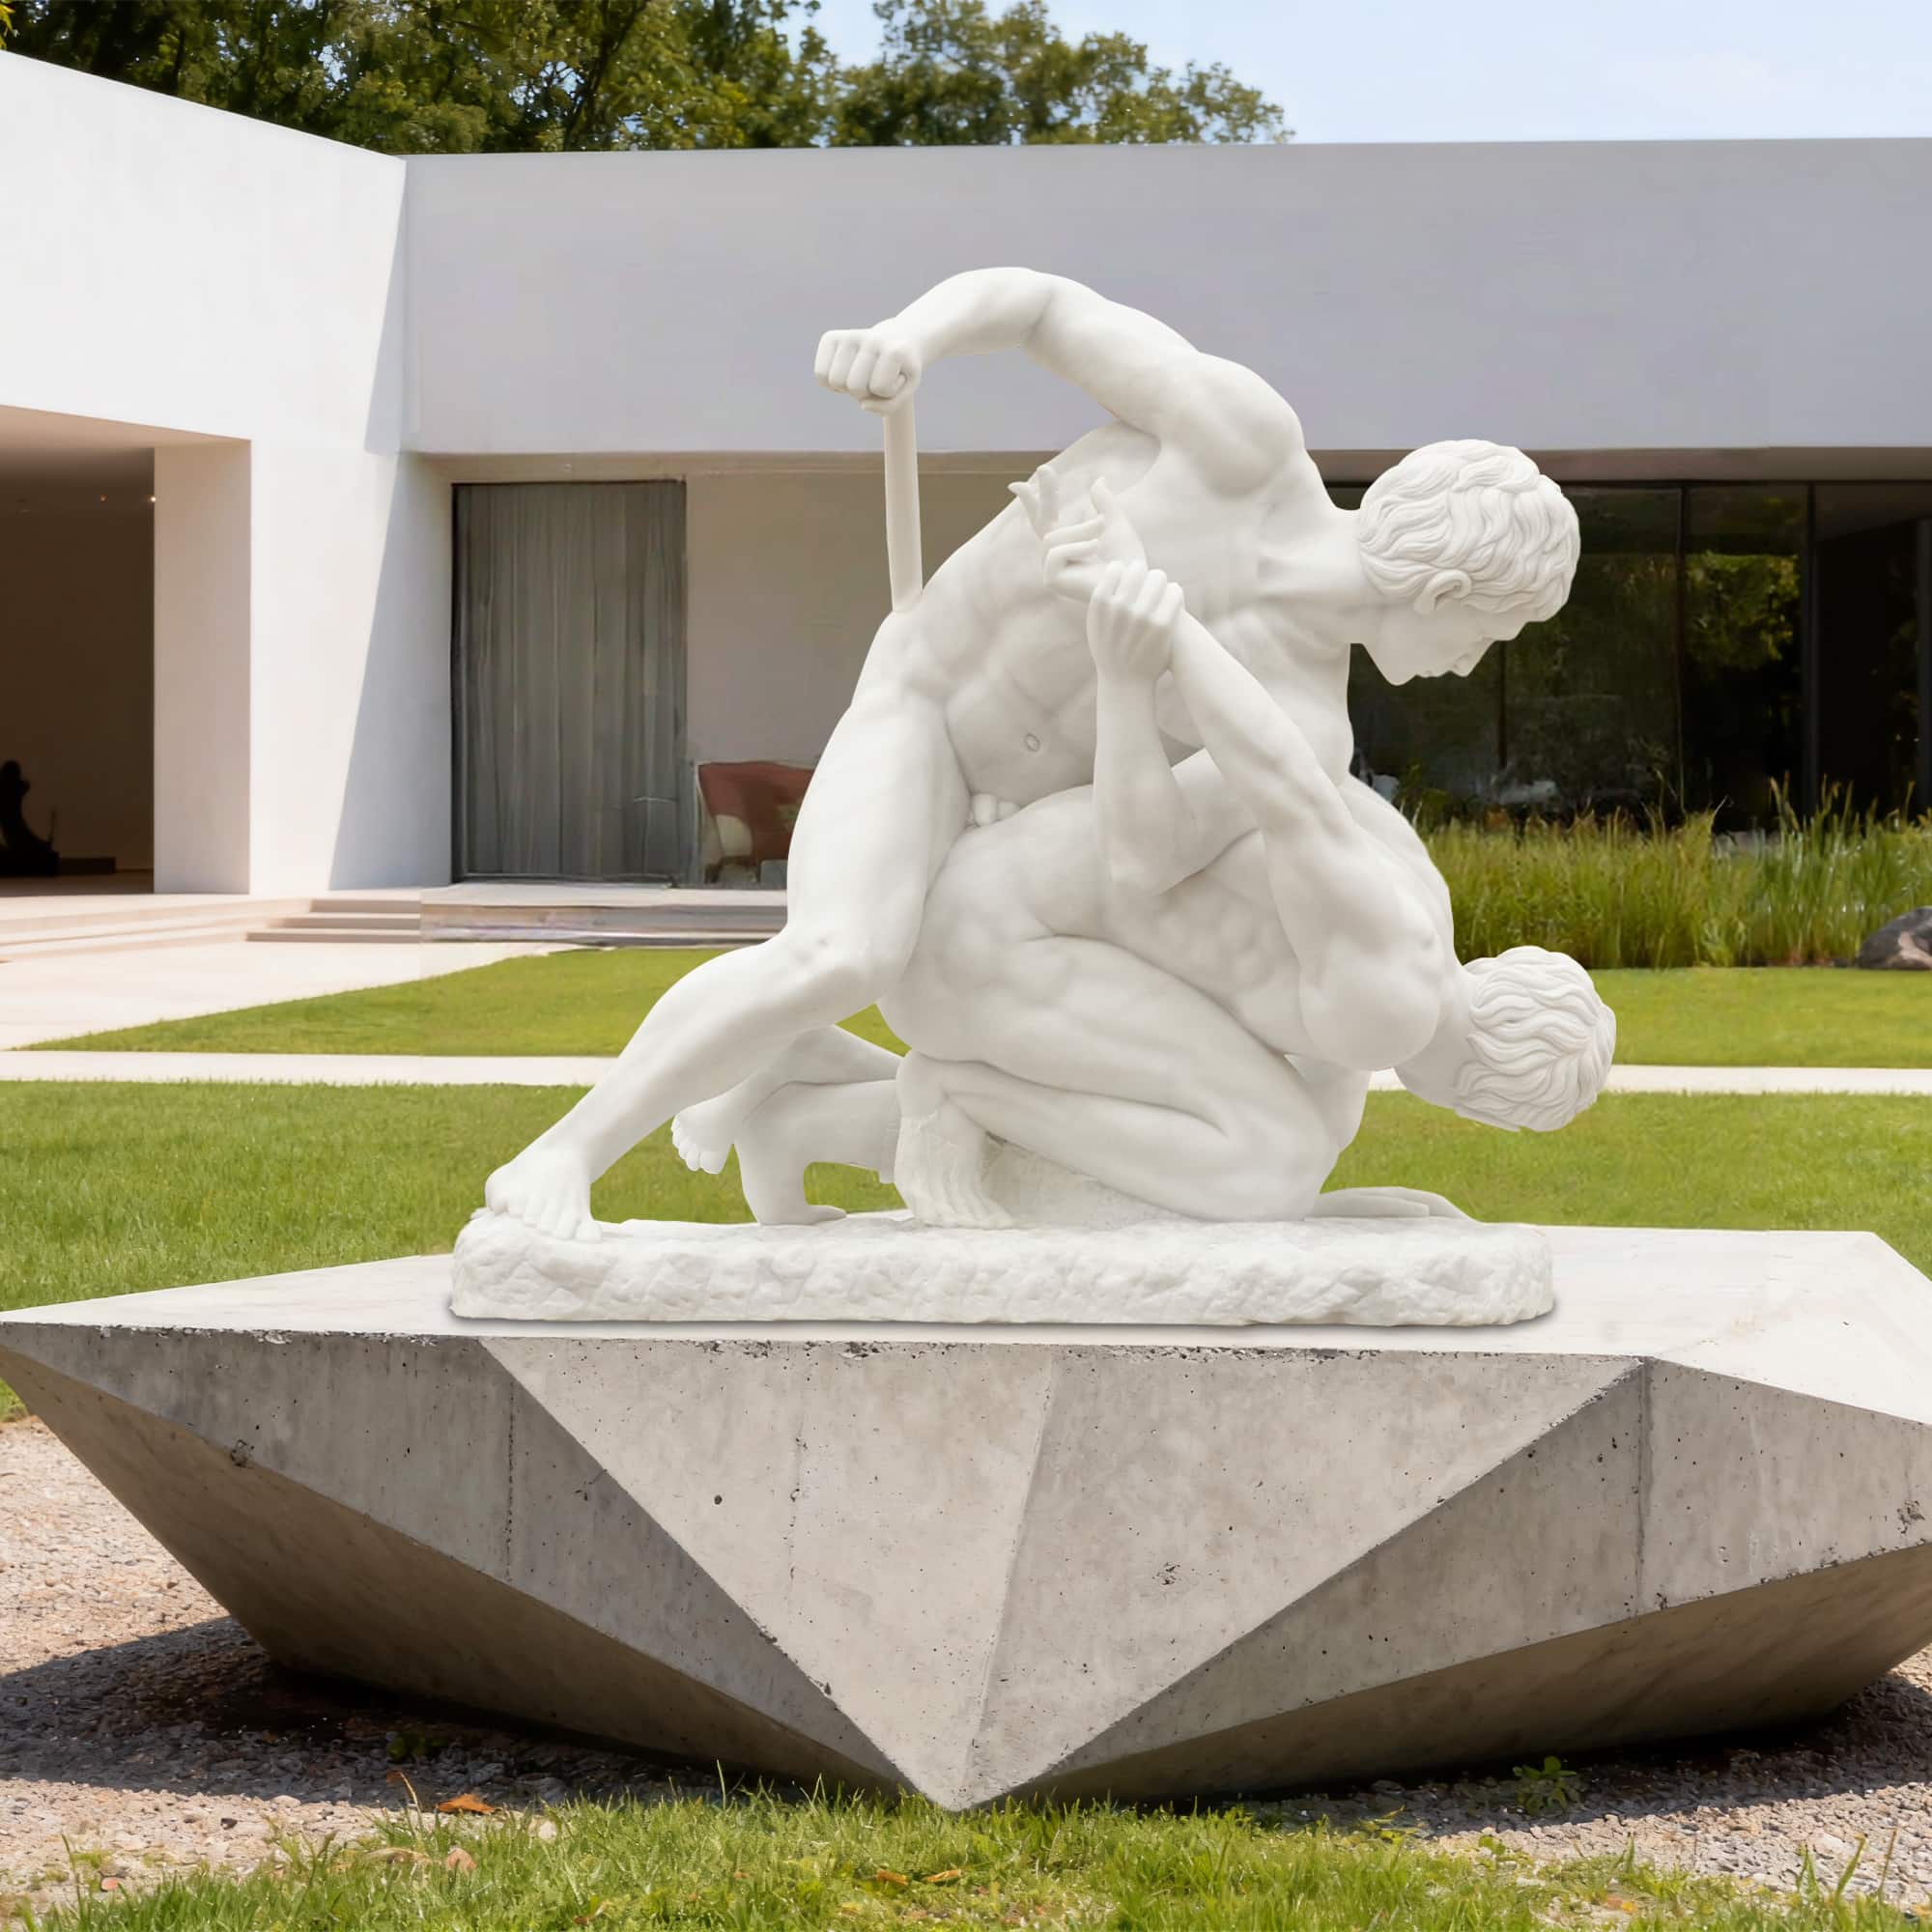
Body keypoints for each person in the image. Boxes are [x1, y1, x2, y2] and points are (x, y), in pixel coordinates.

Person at [486, 268, 1579, 1240]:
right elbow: (1047, 308)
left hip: (1010, 824)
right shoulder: (1242, 444)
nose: (1469, 663)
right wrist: (910, 336)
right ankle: (559, 1156)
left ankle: (815, 1083)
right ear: (1447, 591)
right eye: (1491, 636)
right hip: (919, 705)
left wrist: (1126, 671)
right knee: (839, 955)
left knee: (923, 977)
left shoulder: (1304, 719)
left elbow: (1147, 855)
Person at [708, 526, 1615, 1228]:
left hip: (1000, 918)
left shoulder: (1415, 926)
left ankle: (801, 1106)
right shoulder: (1393, 1003)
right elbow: (1289, 789)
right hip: (992, 949)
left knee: (1270, 1158)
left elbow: (1305, 1134)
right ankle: (944, 1093)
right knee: (1268, 1167)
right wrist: (1161, 630)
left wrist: (1337, 1220)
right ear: (1485, 1096)